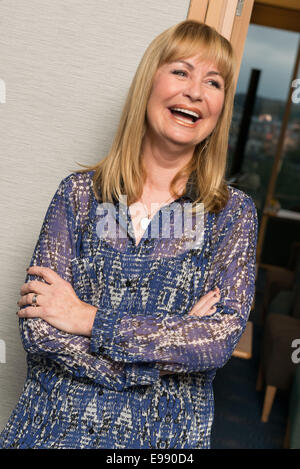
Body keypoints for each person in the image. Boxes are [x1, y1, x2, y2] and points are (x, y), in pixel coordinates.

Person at [0, 19, 257, 449]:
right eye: (180, 71)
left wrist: (87, 318)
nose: (194, 91)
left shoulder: (233, 215)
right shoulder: (78, 196)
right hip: (51, 430)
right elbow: (39, 330)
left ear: (220, 108)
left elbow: (214, 342)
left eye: (213, 82)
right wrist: (168, 346)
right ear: (148, 83)